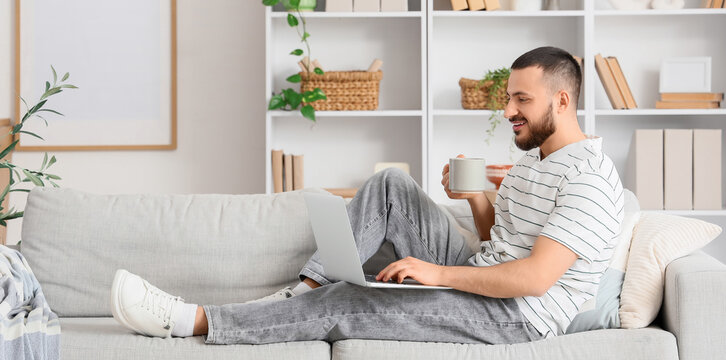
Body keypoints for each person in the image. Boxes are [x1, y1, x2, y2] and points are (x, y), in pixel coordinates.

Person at [110, 46, 624, 344]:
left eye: (522, 100)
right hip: (490, 274)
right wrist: (475, 199)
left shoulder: (591, 178)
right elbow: (501, 243)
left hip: (517, 316)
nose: (509, 109)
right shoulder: (535, 159)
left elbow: (534, 278)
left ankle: (193, 320)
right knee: (392, 185)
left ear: (562, 99)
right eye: (508, 97)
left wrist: (436, 273)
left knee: (353, 299)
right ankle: (304, 290)